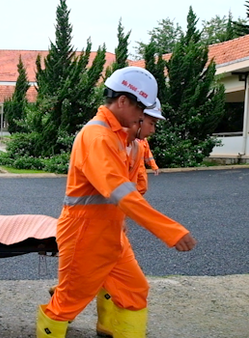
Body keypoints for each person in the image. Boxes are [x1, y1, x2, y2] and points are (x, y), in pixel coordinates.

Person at [37, 67, 197, 338]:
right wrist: (170, 231)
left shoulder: (121, 137)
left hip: (110, 233)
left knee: (134, 291)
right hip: (84, 234)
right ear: (123, 101)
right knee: (67, 304)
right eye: (141, 110)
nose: (143, 118)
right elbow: (120, 192)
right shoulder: (97, 137)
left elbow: (129, 189)